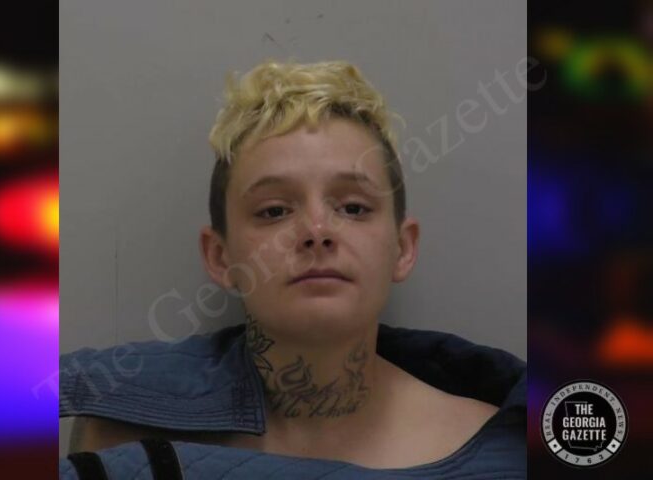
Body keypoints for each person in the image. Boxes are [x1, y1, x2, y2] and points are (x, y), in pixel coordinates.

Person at [59, 59, 526, 479]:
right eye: (274, 211)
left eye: (354, 207)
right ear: (220, 257)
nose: (317, 232)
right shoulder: (119, 434)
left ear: (403, 249)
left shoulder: (506, 447)